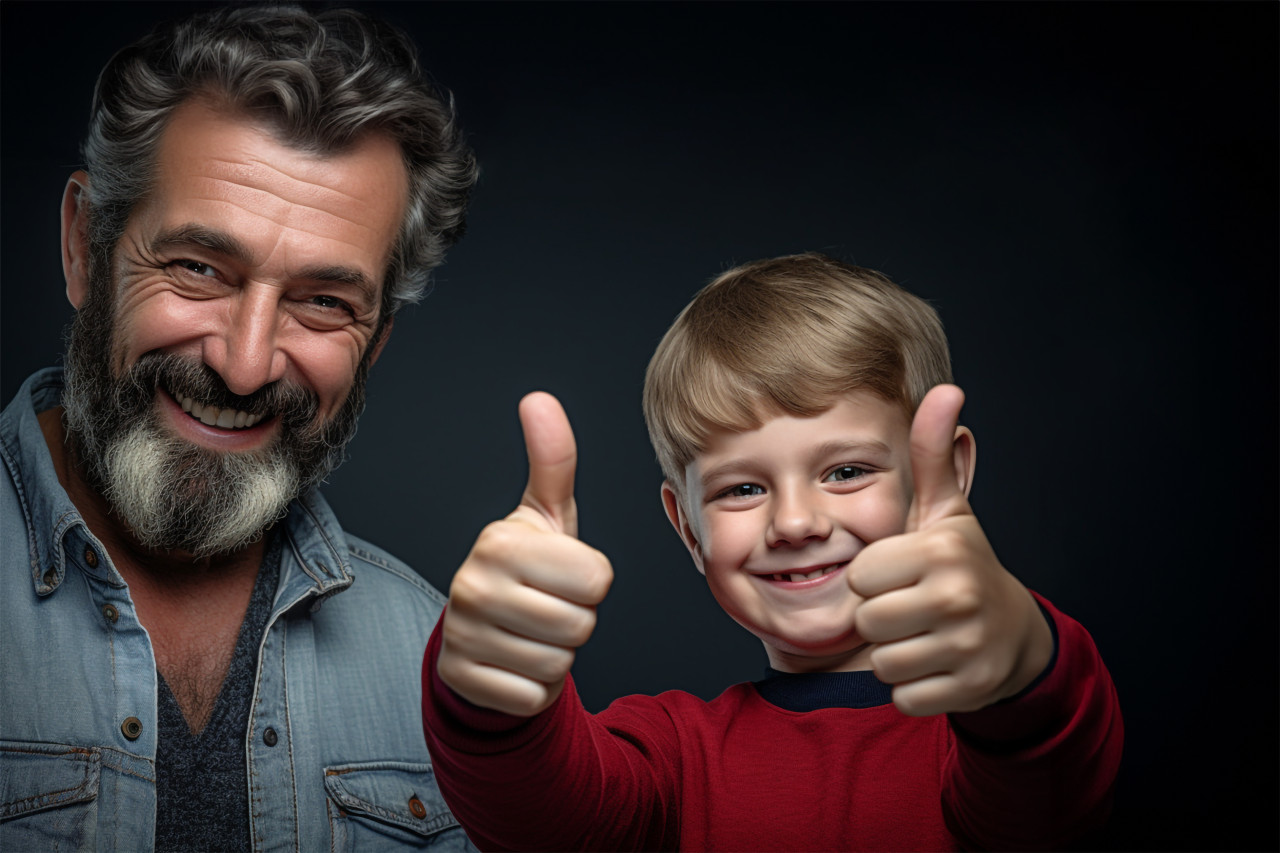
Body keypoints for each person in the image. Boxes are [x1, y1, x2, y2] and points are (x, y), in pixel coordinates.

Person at [422, 253, 1124, 851]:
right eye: (743, 488)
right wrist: (490, 690)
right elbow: (545, 818)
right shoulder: (669, 759)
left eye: (846, 471)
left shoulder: (981, 743)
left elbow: (1046, 773)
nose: (794, 521)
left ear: (949, 470)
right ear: (688, 527)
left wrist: (1024, 665)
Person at [1, 6, 478, 851]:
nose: (247, 365)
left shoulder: (431, 662)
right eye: (197, 268)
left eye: (324, 303)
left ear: (374, 344)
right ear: (86, 247)